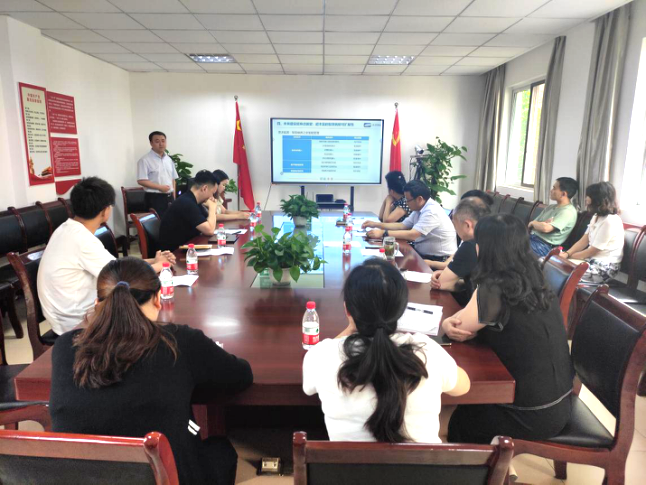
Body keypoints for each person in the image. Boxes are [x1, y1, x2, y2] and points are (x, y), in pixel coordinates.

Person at [50, 257, 253, 485]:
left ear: (97, 304)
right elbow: (242, 376)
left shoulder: (65, 346)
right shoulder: (180, 342)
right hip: (167, 477)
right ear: (158, 299)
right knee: (220, 449)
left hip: (82, 478)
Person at [303, 258, 470, 443]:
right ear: (401, 309)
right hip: (423, 463)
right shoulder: (426, 351)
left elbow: (309, 388)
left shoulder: (322, 356)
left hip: (346, 463)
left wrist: (351, 327)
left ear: (348, 310)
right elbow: (464, 386)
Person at [442, 214, 574, 444]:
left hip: (528, 413)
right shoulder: (535, 276)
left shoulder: (494, 287)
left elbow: (460, 328)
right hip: (559, 403)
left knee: (435, 420)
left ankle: (479, 462)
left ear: (484, 248)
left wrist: (446, 323)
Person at [37, 177, 175, 336]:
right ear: (105, 211)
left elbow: (117, 265)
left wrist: (154, 260)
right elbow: (121, 277)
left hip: (66, 315)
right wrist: (160, 265)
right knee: (150, 318)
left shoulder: (66, 229)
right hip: (77, 323)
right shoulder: (82, 240)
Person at [362, 180, 457, 261]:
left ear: (419, 199)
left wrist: (383, 233)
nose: (406, 203)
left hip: (438, 259)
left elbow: (413, 235)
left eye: (408, 200)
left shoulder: (432, 211)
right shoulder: (419, 208)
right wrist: (376, 224)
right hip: (422, 254)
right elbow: (402, 225)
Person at [431, 197, 491, 306]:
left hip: (479, 310)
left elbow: (441, 284)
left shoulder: (470, 246)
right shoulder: (495, 238)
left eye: (455, 225)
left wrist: (444, 278)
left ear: (467, 225)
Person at [560, 181, 623, 284]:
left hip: (604, 268)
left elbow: (593, 250)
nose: (586, 199)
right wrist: (567, 253)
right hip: (590, 260)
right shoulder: (596, 216)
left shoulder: (610, 220)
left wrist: (570, 256)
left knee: (561, 271)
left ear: (597, 198)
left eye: (588, 196)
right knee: (554, 265)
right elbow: (584, 240)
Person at [159, 170, 219, 252]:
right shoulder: (186, 203)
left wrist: (210, 209)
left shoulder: (192, 199)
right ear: (204, 188)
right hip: (175, 253)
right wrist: (212, 208)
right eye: (212, 193)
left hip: (187, 247)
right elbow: (209, 230)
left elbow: (208, 222)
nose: (212, 197)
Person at [528, 177, 579, 257]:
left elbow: (546, 228)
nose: (551, 190)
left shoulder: (567, 212)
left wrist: (537, 224)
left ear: (563, 194)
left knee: (512, 246)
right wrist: (536, 223)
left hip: (543, 245)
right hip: (531, 238)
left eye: (554, 188)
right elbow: (531, 224)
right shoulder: (550, 207)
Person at [137, 131, 177, 217]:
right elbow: (141, 180)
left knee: (170, 221)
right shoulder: (145, 160)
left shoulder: (169, 160)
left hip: (170, 198)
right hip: (154, 198)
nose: (161, 144)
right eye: (157, 141)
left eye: (163, 141)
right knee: (156, 224)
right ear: (151, 143)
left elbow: (173, 178)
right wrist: (160, 187)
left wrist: (174, 195)